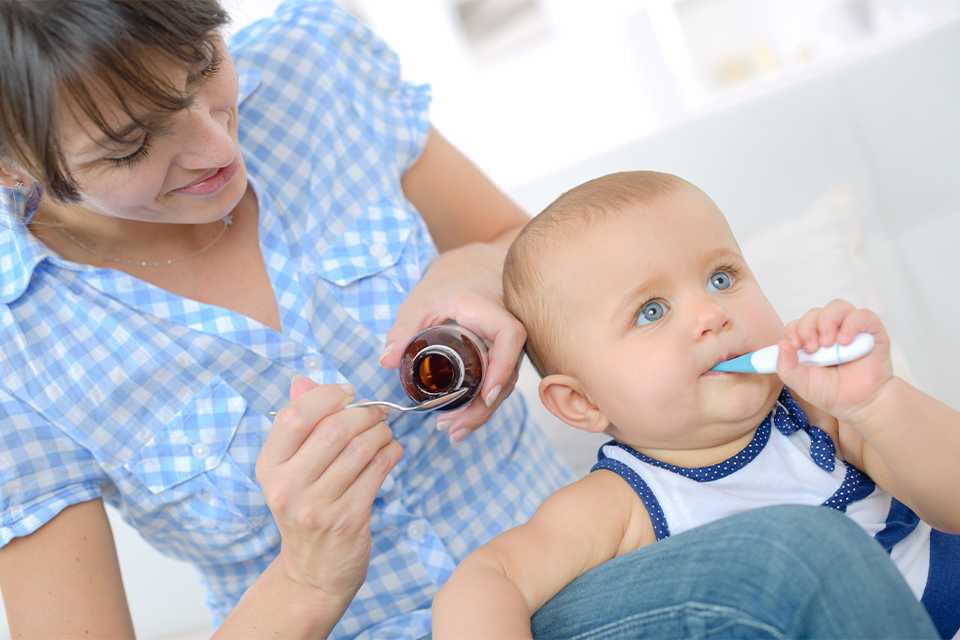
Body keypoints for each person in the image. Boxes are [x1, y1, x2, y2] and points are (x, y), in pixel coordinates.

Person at [0, 2, 941, 638]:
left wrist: (470, 275)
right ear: (12, 164)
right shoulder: (17, 348)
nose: (215, 145)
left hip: (587, 598)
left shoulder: (318, 67)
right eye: (131, 143)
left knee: (799, 558)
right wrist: (308, 575)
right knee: (795, 560)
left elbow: (523, 248)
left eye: (205, 67)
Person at [433, 170, 959, 639]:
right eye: (652, 311)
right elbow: (489, 579)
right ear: (581, 402)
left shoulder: (815, 414)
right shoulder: (622, 502)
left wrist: (876, 402)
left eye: (721, 278)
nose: (711, 313)